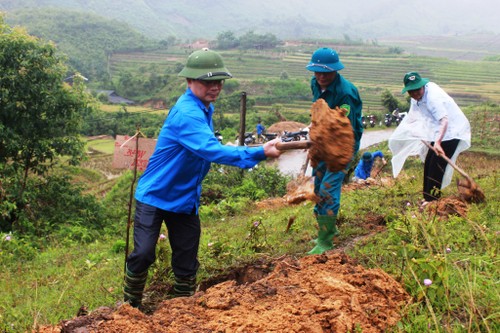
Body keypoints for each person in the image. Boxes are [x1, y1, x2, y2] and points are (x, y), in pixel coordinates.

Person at [123, 48, 282, 308]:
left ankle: (180, 309)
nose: (215, 87)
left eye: (218, 82)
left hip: (184, 198)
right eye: (207, 81)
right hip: (155, 195)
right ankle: (129, 307)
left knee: (186, 259)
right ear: (189, 82)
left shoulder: (204, 108)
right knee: (142, 254)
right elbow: (211, 150)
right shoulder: (187, 114)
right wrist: (259, 152)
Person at [305, 47, 363, 255]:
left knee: (329, 188)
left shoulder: (345, 93)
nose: (321, 77)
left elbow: (346, 127)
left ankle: (325, 241)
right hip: (322, 140)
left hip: (342, 143)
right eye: (317, 72)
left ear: (335, 71)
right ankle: (327, 227)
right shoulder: (315, 84)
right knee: (318, 184)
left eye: (326, 72)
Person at [388, 71, 471, 205]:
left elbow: (444, 120)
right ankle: (427, 197)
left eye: (417, 90)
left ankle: (433, 201)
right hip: (439, 131)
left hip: (452, 131)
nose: (415, 94)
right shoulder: (416, 97)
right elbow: (415, 115)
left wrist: (437, 142)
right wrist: (416, 131)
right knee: (429, 162)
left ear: (423, 86)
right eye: (411, 91)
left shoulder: (433, 98)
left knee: (436, 165)